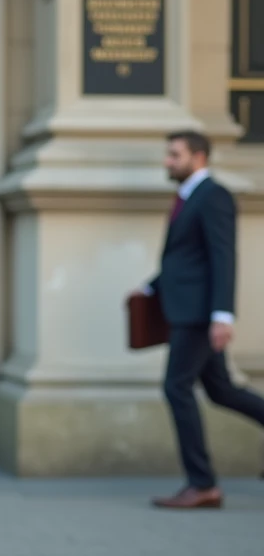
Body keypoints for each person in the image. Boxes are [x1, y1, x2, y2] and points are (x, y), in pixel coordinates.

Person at [131, 129, 264, 510]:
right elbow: (183, 258)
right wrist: (149, 288)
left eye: (175, 155)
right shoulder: (188, 197)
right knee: (221, 390)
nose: (167, 162)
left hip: (198, 315)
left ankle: (202, 483)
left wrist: (222, 315)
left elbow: (223, 257)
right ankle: (202, 483)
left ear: (198, 157)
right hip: (186, 309)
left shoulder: (213, 196)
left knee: (176, 388)